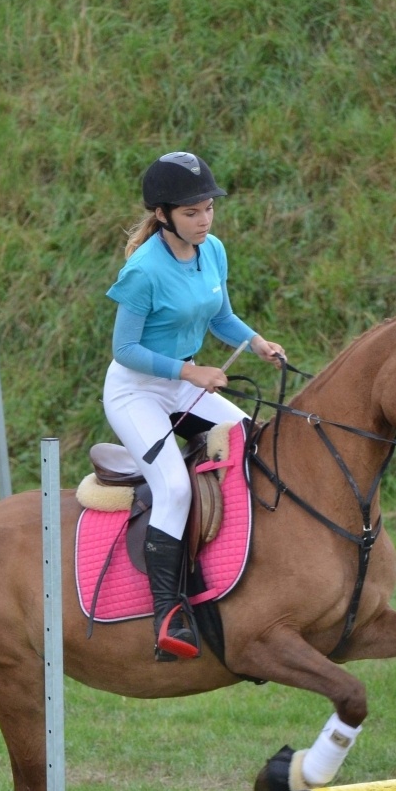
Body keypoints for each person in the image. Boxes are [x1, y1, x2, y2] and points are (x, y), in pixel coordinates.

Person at [103, 151, 287, 662]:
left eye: (208, 208)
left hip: (183, 384)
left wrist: (256, 342)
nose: (204, 219)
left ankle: (238, 567)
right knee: (175, 486)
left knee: (256, 442)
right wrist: (191, 372)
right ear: (163, 215)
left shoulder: (213, 251)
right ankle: (169, 615)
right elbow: (125, 351)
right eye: (191, 212)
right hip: (135, 391)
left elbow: (221, 315)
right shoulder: (143, 272)